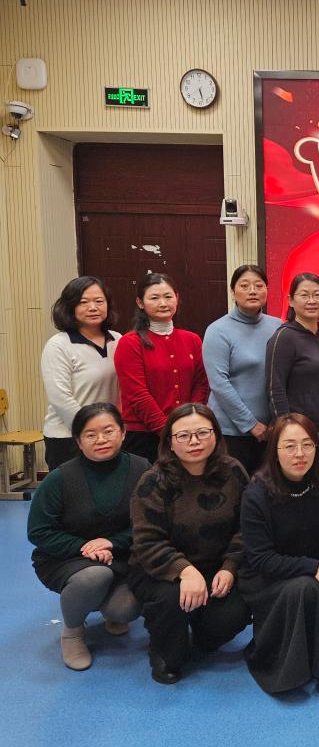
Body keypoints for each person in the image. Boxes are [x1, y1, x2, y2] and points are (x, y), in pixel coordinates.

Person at [127, 403, 250, 684]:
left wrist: (230, 567)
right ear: (170, 442)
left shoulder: (233, 471)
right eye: (183, 436)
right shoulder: (153, 480)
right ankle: (164, 648)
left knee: (234, 612)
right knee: (172, 608)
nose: (194, 442)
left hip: (217, 566)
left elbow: (246, 528)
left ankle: (201, 633)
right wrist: (185, 571)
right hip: (161, 570)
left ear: (216, 435)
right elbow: (147, 541)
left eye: (202, 433)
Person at [27, 403, 148, 670]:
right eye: (90, 435)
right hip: (66, 557)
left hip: (122, 555)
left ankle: (110, 611)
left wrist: (113, 542)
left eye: (108, 431)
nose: (101, 439)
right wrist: (84, 547)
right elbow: (39, 531)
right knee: (95, 577)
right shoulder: (59, 478)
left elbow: (150, 521)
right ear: (78, 442)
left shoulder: (142, 468)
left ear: (123, 432)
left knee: (125, 609)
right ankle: (72, 631)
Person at [239, 414, 319, 693]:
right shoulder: (256, 493)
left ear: (317, 447)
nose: (300, 454)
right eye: (289, 446)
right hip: (267, 577)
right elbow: (260, 559)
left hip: (313, 571)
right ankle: (290, 672)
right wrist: (314, 568)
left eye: (307, 444)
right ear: (275, 451)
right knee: (304, 587)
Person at [113, 273, 209, 462]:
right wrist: (169, 432)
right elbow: (137, 395)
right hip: (144, 436)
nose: (163, 303)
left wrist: (190, 421)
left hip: (187, 432)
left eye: (168, 296)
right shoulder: (130, 343)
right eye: (154, 298)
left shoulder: (192, 339)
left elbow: (201, 384)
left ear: (177, 298)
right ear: (140, 303)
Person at [203, 265, 282, 474]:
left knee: (268, 487)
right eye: (244, 286)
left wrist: (278, 420)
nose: (252, 291)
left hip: (271, 430)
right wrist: (250, 424)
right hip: (232, 431)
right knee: (233, 487)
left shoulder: (278, 326)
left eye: (259, 285)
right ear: (233, 291)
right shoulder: (218, 330)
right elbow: (219, 384)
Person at [41, 277, 122, 469]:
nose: (93, 307)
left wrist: (109, 431)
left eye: (99, 301)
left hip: (108, 436)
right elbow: (60, 398)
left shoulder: (118, 340)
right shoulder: (59, 345)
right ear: (70, 307)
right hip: (68, 437)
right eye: (83, 302)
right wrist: (90, 431)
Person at [266, 272, 319, 469]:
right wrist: (285, 429)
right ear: (290, 300)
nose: (311, 301)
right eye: (304, 295)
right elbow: (275, 388)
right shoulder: (284, 337)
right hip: (301, 434)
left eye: (317, 295)